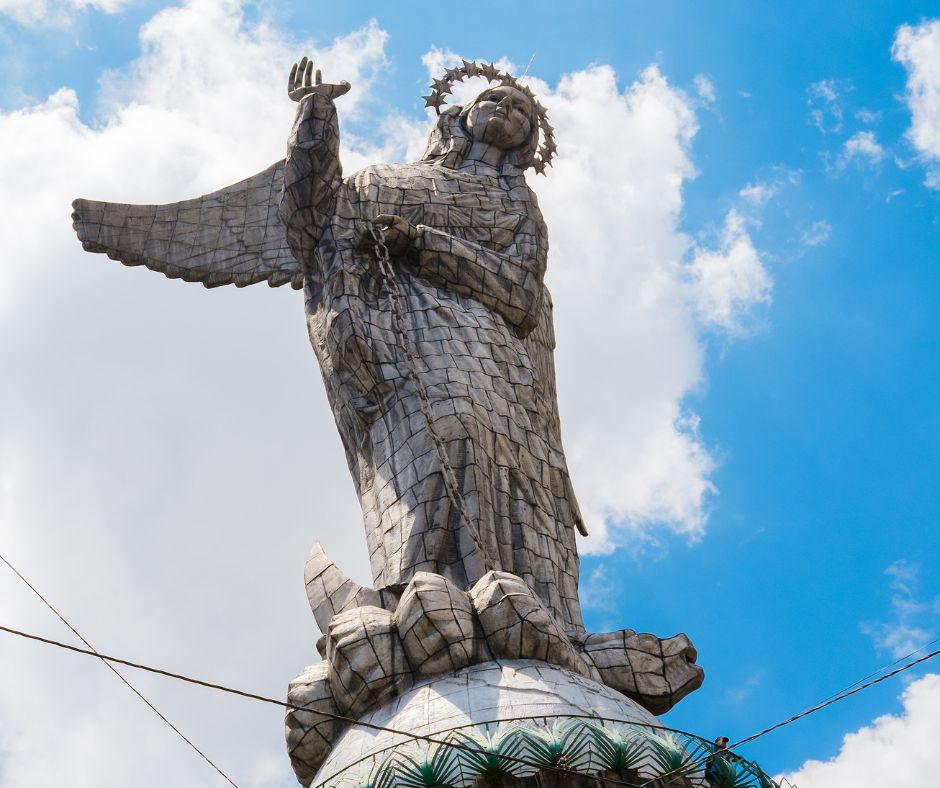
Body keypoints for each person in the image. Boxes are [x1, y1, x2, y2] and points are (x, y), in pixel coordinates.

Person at [278, 58, 586, 632]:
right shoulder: (388, 183)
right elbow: (314, 228)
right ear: (460, 115)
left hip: (503, 361)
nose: (507, 108)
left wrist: (423, 243)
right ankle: (419, 593)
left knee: (519, 470)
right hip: (410, 346)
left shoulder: (521, 211)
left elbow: (521, 293)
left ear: (528, 144)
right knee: (449, 427)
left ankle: (531, 610)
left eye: (522, 110)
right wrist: (315, 121)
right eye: (494, 98)